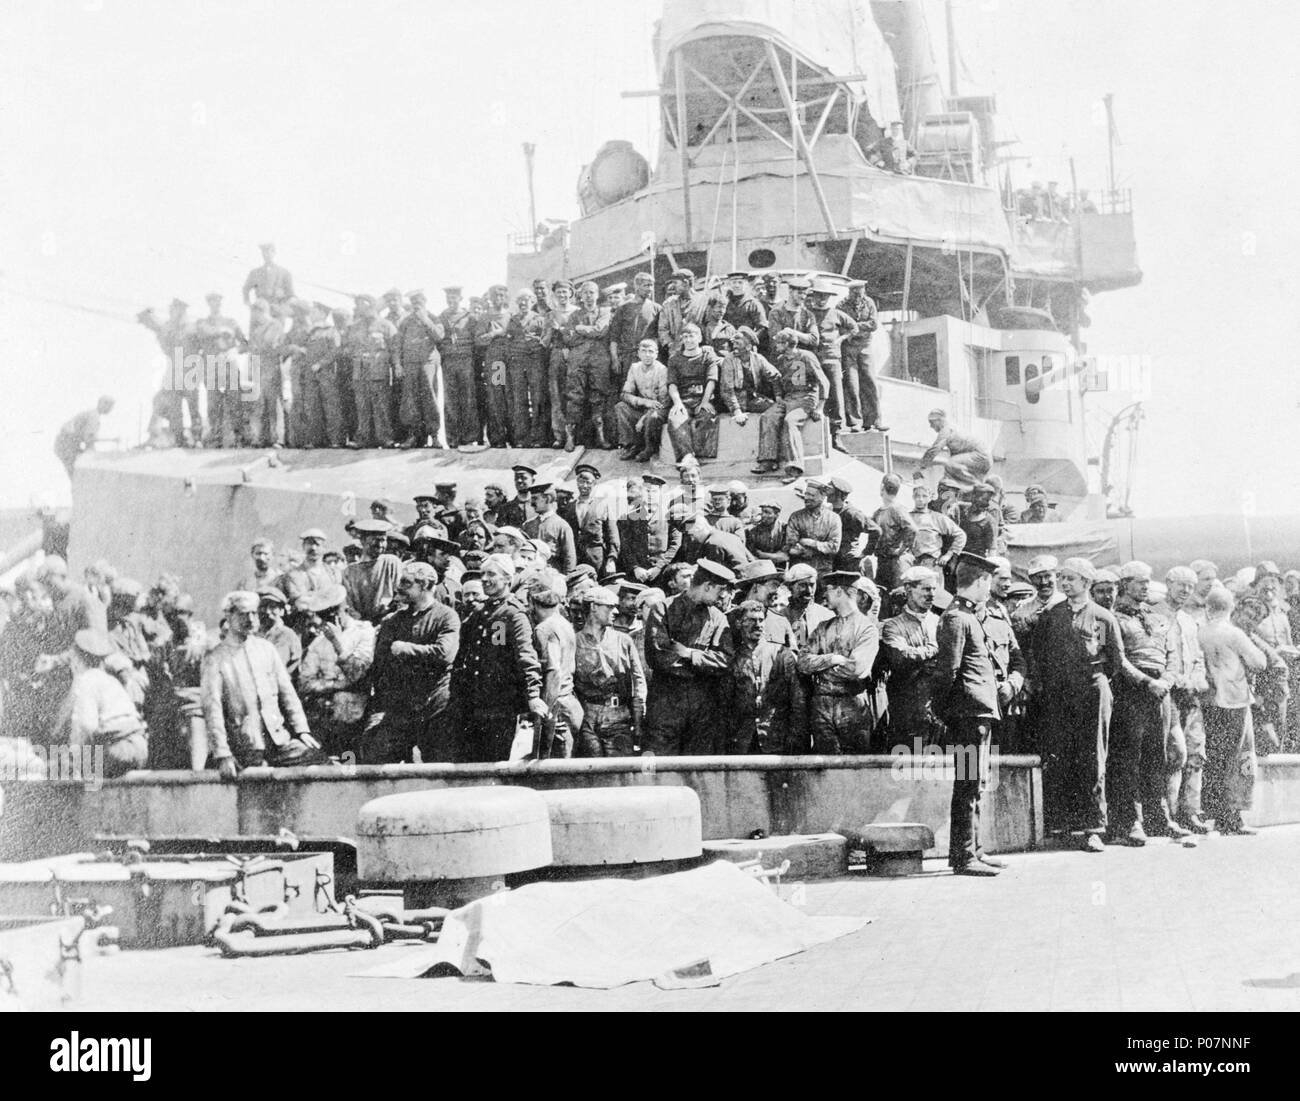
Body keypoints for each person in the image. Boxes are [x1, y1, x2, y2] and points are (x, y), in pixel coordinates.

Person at [1030, 558, 1141, 850]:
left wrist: (1097, 684)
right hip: (1059, 693)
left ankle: (1094, 826)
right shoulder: (1052, 615)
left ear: (1086, 583)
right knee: (1062, 753)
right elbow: (1040, 654)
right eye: (1062, 578)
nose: (1064, 583)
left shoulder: (1102, 618)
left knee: (1093, 756)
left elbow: (1113, 659)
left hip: (1093, 690)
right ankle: (1066, 824)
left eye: (1071, 578)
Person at [930, 553, 1004, 876]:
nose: (989, 589)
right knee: (967, 783)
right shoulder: (957, 618)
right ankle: (963, 856)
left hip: (978, 712)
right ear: (981, 581)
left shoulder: (967, 617)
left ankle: (973, 849)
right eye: (988, 582)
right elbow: (948, 671)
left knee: (975, 784)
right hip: (968, 713)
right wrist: (946, 710)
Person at [201, 591, 325, 777]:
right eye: (243, 614)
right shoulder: (215, 658)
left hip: (278, 741)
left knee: (321, 762)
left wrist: (302, 731)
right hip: (244, 746)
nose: (250, 619)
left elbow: (288, 693)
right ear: (228, 615)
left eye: (253, 613)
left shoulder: (266, 649)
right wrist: (223, 754)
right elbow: (213, 710)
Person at [1109, 561, 1186, 844]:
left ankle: (1158, 817)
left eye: (1147, 581)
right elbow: (1119, 659)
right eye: (1139, 581)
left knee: (1158, 755)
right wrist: (1146, 682)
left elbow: (1172, 653)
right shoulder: (1113, 618)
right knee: (1128, 758)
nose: (1145, 586)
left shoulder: (1157, 617)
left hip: (1161, 691)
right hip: (1132, 691)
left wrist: (1166, 680)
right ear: (1124, 584)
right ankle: (1129, 822)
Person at [361, 562, 460, 764]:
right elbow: (380, 665)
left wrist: (405, 648)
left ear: (424, 585)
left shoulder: (446, 616)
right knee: (379, 758)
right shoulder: (391, 621)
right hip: (399, 707)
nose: (399, 588)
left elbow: (444, 654)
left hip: (435, 705)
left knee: (437, 764)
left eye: (406, 583)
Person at [450, 554, 546, 762]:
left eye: (491, 574)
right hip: (474, 704)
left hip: (501, 707)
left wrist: (533, 694)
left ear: (507, 580)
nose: (484, 579)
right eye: (483, 574)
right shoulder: (480, 614)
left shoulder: (512, 614)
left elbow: (525, 656)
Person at [643, 558, 735, 755]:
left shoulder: (718, 618)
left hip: (702, 711)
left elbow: (725, 660)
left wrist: (690, 654)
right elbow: (657, 656)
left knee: (697, 772)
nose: (723, 596)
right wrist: (702, 666)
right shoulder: (663, 609)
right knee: (661, 771)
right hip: (665, 706)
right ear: (708, 586)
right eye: (721, 590)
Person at [1198, 585, 1264, 835]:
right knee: (1237, 758)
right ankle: (1232, 817)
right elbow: (1259, 662)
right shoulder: (1233, 633)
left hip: (1209, 700)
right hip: (1235, 700)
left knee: (1213, 757)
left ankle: (1214, 812)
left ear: (1208, 608)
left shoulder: (1200, 632)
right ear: (1231, 607)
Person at [797, 572, 880, 753]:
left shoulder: (867, 629)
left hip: (852, 705)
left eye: (828, 590)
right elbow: (802, 662)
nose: (824, 595)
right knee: (824, 768)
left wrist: (818, 669)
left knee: (853, 769)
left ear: (841, 591)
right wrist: (831, 659)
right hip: (822, 706)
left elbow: (856, 669)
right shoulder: (822, 627)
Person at [1161, 565, 1212, 833]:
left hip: (1190, 696)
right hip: (1167, 694)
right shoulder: (1156, 615)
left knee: (1195, 754)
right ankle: (1167, 815)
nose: (1185, 591)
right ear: (1168, 583)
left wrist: (1195, 680)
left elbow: (1198, 659)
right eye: (1180, 584)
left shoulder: (1190, 621)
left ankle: (1190, 812)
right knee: (1174, 754)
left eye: (1190, 587)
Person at [296, 584, 375, 758]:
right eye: (324, 616)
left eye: (334, 613)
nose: (330, 620)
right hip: (326, 713)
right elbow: (305, 683)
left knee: (350, 762)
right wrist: (334, 685)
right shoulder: (317, 643)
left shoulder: (365, 633)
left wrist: (337, 643)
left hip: (356, 710)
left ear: (345, 609)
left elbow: (358, 673)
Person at [62, 628, 148, 778]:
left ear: (78, 656)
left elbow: (86, 724)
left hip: (119, 749)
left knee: (64, 769)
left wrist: (73, 756)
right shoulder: (110, 680)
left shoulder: (87, 679)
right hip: (139, 747)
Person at [572, 586, 647, 757]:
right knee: (592, 774)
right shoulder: (574, 641)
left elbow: (638, 683)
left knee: (622, 774)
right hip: (587, 718)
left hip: (619, 718)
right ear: (593, 607)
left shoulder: (623, 641)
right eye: (610, 607)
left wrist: (638, 720)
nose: (615, 611)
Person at [725, 600, 803, 754]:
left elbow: (797, 700)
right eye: (752, 620)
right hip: (742, 741)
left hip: (776, 738)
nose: (758, 625)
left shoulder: (782, 654)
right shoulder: (733, 660)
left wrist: (795, 737)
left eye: (761, 620)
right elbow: (725, 705)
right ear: (739, 623)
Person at [879, 566, 943, 750]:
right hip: (906, 708)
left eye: (933, 589)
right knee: (907, 765)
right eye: (926, 589)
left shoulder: (940, 622)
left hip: (936, 707)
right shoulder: (893, 626)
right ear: (908, 590)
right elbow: (901, 656)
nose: (931, 594)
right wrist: (934, 649)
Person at [752, 332, 829, 482]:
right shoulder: (781, 360)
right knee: (768, 417)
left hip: (806, 398)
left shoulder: (806, 356)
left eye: (780, 343)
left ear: (787, 344)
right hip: (788, 398)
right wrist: (779, 395)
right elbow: (777, 380)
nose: (776, 346)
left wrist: (820, 407)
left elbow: (823, 381)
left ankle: (795, 467)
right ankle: (768, 460)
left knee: (791, 421)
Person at [527, 582, 581, 759]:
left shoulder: (544, 628)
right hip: (569, 703)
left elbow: (554, 671)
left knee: (554, 767)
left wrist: (546, 715)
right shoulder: (565, 624)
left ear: (532, 603)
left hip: (556, 707)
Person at [561, 281, 614, 450]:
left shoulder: (605, 312)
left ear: (597, 295)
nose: (589, 296)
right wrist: (586, 331)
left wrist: (579, 329)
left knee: (598, 396)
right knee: (574, 396)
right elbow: (568, 338)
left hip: (598, 360)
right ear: (581, 296)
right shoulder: (574, 315)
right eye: (586, 293)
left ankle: (601, 437)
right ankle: (570, 437)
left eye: (592, 292)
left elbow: (601, 330)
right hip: (578, 360)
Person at [984, 557, 1028, 754]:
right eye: (1002, 579)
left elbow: (1017, 657)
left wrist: (1013, 684)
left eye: (1009, 579)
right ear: (987, 577)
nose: (1008, 584)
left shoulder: (1001, 610)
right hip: (982, 700)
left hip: (1006, 698)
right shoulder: (972, 611)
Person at [805, 279, 859, 440]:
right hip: (813, 359)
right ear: (813, 296)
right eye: (819, 295)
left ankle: (835, 434)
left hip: (832, 359)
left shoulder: (836, 314)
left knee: (835, 395)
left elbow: (854, 327)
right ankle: (814, 432)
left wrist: (841, 339)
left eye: (825, 296)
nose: (822, 299)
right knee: (812, 393)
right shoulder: (807, 313)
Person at [395, 289, 445, 450]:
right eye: (414, 303)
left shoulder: (433, 317)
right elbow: (397, 344)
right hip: (410, 364)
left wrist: (425, 320)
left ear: (425, 302)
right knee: (410, 400)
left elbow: (439, 336)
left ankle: (435, 436)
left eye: (420, 302)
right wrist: (397, 364)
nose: (417, 306)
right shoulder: (405, 321)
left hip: (427, 363)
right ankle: (412, 435)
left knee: (430, 398)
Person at [346, 294, 397, 448]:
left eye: (361, 305)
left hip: (378, 372)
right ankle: (362, 438)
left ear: (370, 306)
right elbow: (348, 347)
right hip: (360, 372)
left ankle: (385, 438)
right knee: (362, 407)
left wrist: (394, 365)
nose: (358, 308)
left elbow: (394, 348)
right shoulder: (355, 327)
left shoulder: (386, 325)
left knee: (381, 406)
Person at [665, 323, 721, 461]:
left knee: (708, 417)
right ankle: (687, 457)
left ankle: (702, 457)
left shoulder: (707, 356)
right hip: (684, 400)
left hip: (703, 398)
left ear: (700, 338)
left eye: (692, 336)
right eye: (685, 337)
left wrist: (705, 401)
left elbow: (711, 380)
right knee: (675, 420)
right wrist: (677, 403)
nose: (688, 340)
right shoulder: (675, 359)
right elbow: (672, 384)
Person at [437, 286, 480, 449]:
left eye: (454, 297)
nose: (451, 300)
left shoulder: (470, 318)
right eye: (449, 297)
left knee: (468, 398)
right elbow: (438, 339)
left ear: (460, 298)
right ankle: (453, 438)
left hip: (466, 359)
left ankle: (469, 437)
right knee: (451, 400)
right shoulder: (442, 317)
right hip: (449, 360)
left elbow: (477, 340)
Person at [616, 474, 680, 585]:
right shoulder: (628, 518)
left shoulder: (670, 517)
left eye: (654, 491)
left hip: (661, 571)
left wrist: (659, 567)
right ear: (641, 492)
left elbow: (675, 544)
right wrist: (635, 568)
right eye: (647, 491)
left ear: (660, 493)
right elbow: (625, 546)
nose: (650, 495)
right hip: (637, 573)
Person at [840, 278, 884, 431]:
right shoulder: (841, 305)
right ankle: (855, 421)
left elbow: (874, 324)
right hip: (849, 348)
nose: (858, 295)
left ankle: (875, 420)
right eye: (854, 292)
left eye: (860, 291)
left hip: (865, 346)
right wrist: (855, 329)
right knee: (852, 384)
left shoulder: (869, 303)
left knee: (870, 382)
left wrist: (853, 326)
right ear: (850, 292)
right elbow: (840, 326)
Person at [615, 338, 669, 461]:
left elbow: (663, 401)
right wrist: (644, 402)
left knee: (653, 417)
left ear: (656, 354)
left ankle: (650, 447)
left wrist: (643, 419)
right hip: (644, 406)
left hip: (658, 409)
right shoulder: (634, 368)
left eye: (651, 351)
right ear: (638, 353)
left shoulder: (662, 370)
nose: (647, 355)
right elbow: (625, 394)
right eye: (643, 351)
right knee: (620, 407)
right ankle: (632, 445)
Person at [343, 519, 404, 623]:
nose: (380, 544)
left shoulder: (391, 562)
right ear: (363, 541)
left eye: (383, 540)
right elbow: (348, 604)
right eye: (375, 540)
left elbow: (401, 594)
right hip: (360, 626)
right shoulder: (350, 571)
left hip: (388, 621)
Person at [729, 560, 798, 650]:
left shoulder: (781, 622)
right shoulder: (731, 618)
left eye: (778, 587)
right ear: (756, 587)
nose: (777, 592)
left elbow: (793, 657)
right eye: (774, 585)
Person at [783, 479, 843, 579]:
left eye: (812, 495)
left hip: (823, 571)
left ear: (822, 497)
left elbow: (834, 547)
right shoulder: (796, 517)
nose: (807, 498)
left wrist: (811, 543)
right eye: (806, 494)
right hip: (799, 572)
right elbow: (791, 544)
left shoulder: (833, 518)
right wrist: (803, 550)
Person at [544, 280, 578, 448]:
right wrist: (551, 330)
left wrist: (562, 330)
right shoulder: (550, 315)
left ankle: (574, 434)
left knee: (573, 395)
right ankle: (559, 435)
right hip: (556, 354)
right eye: (559, 293)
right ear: (554, 295)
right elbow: (545, 341)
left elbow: (580, 336)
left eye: (565, 292)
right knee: (556, 395)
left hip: (574, 354)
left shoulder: (577, 312)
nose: (562, 295)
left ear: (571, 293)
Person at [919, 409, 992, 488]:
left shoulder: (946, 430)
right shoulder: (953, 428)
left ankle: (978, 485)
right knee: (951, 473)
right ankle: (971, 487)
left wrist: (921, 466)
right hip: (982, 460)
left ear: (939, 420)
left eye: (932, 423)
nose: (931, 426)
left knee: (950, 464)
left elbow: (934, 450)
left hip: (981, 457)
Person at [826, 476, 879, 574]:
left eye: (830, 490)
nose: (827, 493)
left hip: (848, 563)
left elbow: (876, 530)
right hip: (832, 561)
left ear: (839, 494)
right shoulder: (828, 512)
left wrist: (865, 553)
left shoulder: (853, 514)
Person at [572, 465, 619, 576]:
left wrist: (612, 558)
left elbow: (612, 533)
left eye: (588, 483)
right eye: (581, 482)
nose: (584, 486)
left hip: (596, 557)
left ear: (594, 484)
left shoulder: (603, 504)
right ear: (577, 482)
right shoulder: (570, 506)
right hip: (575, 556)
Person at [872, 474, 916, 593]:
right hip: (883, 561)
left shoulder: (896, 509)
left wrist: (901, 550)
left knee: (897, 594)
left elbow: (912, 529)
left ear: (882, 487)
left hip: (895, 562)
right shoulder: (880, 511)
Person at [523, 483, 577, 576]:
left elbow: (569, 558)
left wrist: (567, 580)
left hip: (552, 575)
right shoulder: (527, 525)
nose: (532, 503)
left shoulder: (562, 526)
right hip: (529, 575)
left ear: (548, 499)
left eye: (535, 498)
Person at [54, 396, 114, 479]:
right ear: (102, 404)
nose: (111, 409)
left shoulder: (91, 413)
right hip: (67, 444)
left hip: (66, 443)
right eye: (110, 406)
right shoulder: (94, 417)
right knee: (78, 474)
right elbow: (89, 440)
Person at [781, 563, 833, 650]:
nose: (809, 590)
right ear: (790, 587)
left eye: (812, 585)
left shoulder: (827, 616)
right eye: (802, 585)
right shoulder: (780, 616)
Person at [658, 268, 708, 357]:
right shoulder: (668, 304)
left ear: (686, 283)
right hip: (676, 354)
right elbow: (662, 329)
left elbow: (708, 327)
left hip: (698, 354)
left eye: (676, 283)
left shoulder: (704, 301)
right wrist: (671, 344)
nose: (673, 286)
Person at [765, 276, 820, 354]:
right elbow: (776, 340)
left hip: (801, 359)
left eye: (805, 294)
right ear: (790, 291)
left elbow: (814, 340)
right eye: (799, 293)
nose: (803, 297)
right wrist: (804, 337)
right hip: (781, 359)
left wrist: (792, 332)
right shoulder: (776, 313)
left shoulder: (808, 315)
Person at [257, 589, 301, 680]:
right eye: (263, 606)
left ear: (281, 611)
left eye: (273, 607)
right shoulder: (255, 634)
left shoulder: (286, 635)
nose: (267, 611)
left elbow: (276, 667)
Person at [242, 242, 294, 310]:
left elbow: (290, 294)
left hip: (277, 310)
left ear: (274, 253)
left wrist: (283, 306)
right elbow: (246, 289)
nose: (265, 254)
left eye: (268, 251)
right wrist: (248, 303)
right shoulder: (255, 273)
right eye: (263, 252)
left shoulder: (284, 273)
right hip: (260, 309)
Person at [747, 501, 788, 566]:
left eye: (767, 512)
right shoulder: (753, 531)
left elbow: (784, 556)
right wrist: (775, 556)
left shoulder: (785, 529)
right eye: (762, 512)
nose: (763, 515)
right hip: (761, 568)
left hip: (779, 568)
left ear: (777, 515)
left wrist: (762, 554)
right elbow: (752, 555)